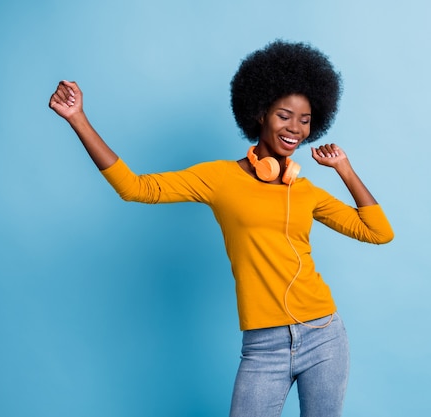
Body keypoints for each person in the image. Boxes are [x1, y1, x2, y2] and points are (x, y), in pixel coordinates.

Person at [49, 40, 394, 417]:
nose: (295, 128)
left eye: (305, 120)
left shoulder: (305, 191)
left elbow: (378, 232)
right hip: (264, 344)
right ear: (260, 113)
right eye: (284, 115)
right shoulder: (220, 178)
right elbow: (136, 188)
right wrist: (78, 118)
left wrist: (344, 169)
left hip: (324, 334)